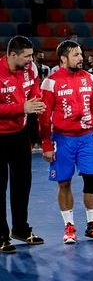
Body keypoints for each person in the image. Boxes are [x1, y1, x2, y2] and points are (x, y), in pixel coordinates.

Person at [39, 40, 93, 244]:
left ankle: (92, 224)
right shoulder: (51, 82)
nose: (81, 58)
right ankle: (69, 226)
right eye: (76, 55)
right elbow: (44, 117)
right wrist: (45, 144)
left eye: (81, 54)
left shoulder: (90, 79)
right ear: (63, 58)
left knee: (92, 180)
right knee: (64, 181)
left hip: (86, 138)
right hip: (62, 139)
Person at [0, 36, 46, 253]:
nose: (31, 59)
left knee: (22, 183)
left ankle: (20, 228)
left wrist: (36, 101)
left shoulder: (31, 69)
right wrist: (22, 107)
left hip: (20, 134)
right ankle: (0, 235)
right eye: (26, 56)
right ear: (12, 55)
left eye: (31, 55)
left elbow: (34, 90)